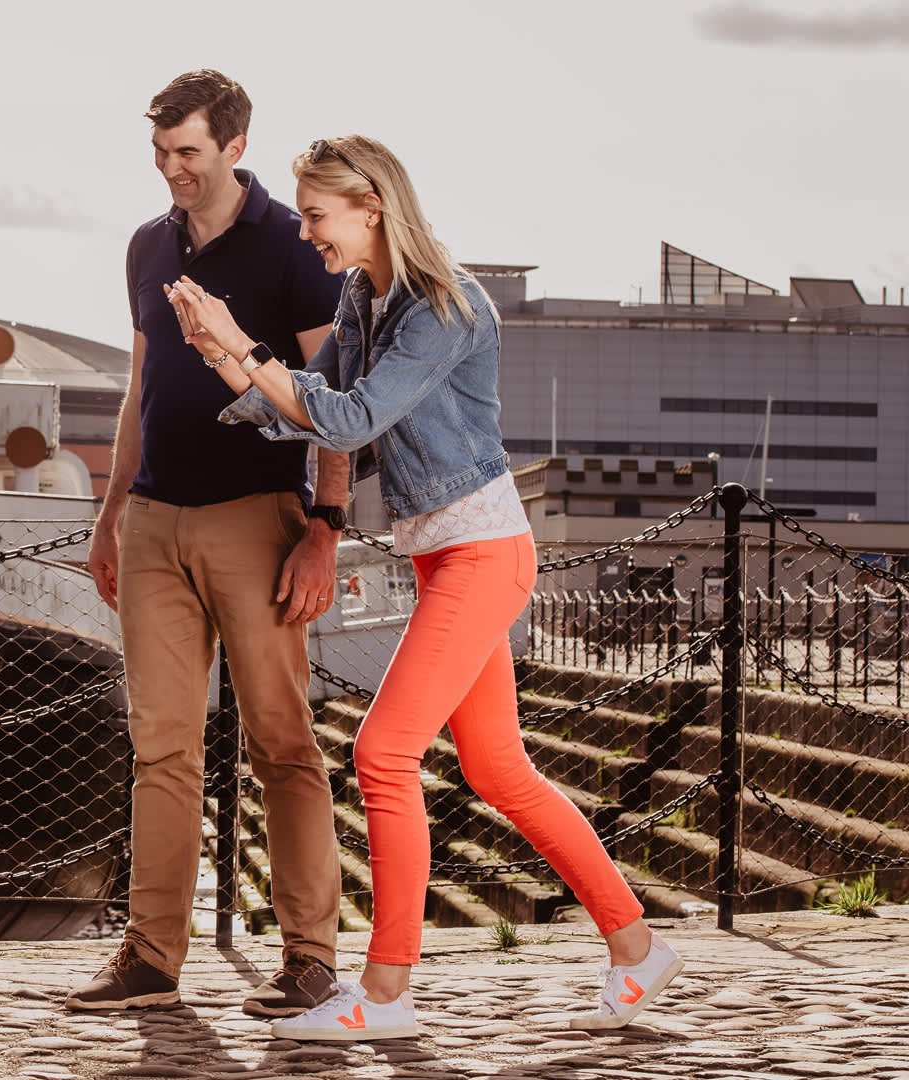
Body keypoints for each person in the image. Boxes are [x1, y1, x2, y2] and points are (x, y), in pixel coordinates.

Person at [166, 134, 684, 1040]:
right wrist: (222, 353)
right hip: (450, 556)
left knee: (383, 753)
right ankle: (638, 949)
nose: (309, 234)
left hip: (484, 555)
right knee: (499, 769)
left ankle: (389, 995)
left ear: (372, 207)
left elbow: (355, 418)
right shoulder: (366, 297)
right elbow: (312, 414)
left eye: (318, 217)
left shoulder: (445, 307)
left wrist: (247, 347)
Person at [69, 69, 353, 1016]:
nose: (171, 169)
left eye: (187, 151)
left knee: (282, 743)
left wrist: (324, 526)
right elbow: (141, 388)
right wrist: (111, 515)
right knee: (161, 749)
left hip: (258, 520)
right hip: (153, 522)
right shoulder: (147, 246)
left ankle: (309, 955)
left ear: (234, 146)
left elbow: (336, 403)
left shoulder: (292, 247)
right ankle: (152, 955)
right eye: (160, 152)